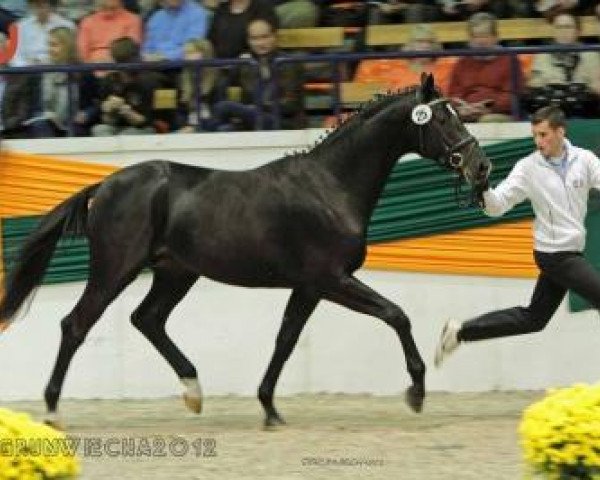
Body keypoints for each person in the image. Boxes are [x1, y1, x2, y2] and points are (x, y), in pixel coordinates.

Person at [434, 105, 600, 367]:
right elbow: (496, 206)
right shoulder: (527, 168)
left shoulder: (585, 160)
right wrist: (483, 189)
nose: (538, 141)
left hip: (570, 252)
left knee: (534, 319)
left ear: (560, 132)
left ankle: (461, 331)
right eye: (535, 135)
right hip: (554, 255)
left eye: (544, 135)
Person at [208, 16, 304, 131]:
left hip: (284, 121)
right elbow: (223, 86)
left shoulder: (289, 63)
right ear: (248, 41)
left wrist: (256, 108)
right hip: (251, 119)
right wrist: (236, 67)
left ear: (275, 37)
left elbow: (290, 106)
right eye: (254, 39)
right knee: (224, 129)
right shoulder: (246, 64)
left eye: (265, 37)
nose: (260, 43)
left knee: (223, 107)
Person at [447, 12, 522, 122]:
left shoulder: (510, 60)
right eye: (475, 36)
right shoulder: (462, 63)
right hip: (465, 112)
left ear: (496, 37)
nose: (480, 41)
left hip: (497, 113)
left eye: (485, 35)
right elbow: (453, 95)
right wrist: (461, 108)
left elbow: (513, 96)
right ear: (470, 39)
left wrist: (489, 107)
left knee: (487, 120)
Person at [11, 0, 74, 67]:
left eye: (43, 3)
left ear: (51, 4)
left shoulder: (67, 25)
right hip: (26, 72)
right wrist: (28, 66)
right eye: (37, 3)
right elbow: (14, 56)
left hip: (58, 70)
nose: (40, 6)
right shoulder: (19, 27)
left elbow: (69, 55)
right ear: (31, 5)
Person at [142, 0, 209, 61]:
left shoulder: (197, 13)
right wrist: (150, 57)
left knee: (195, 55)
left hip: (182, 65)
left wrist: (165, 56)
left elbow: (193, 46)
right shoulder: (156, 17)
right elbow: (147, 49)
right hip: (156, 65)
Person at [77, 0, 142, 63]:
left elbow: (130, 48)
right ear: (98, 5)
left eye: (113, 8)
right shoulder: (87, 22)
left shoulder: (133, 20)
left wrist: (109, 61)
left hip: (121, 63)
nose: (109, 12)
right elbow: (82, 52)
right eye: (104, 7)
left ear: (120, 3)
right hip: (92, 65)